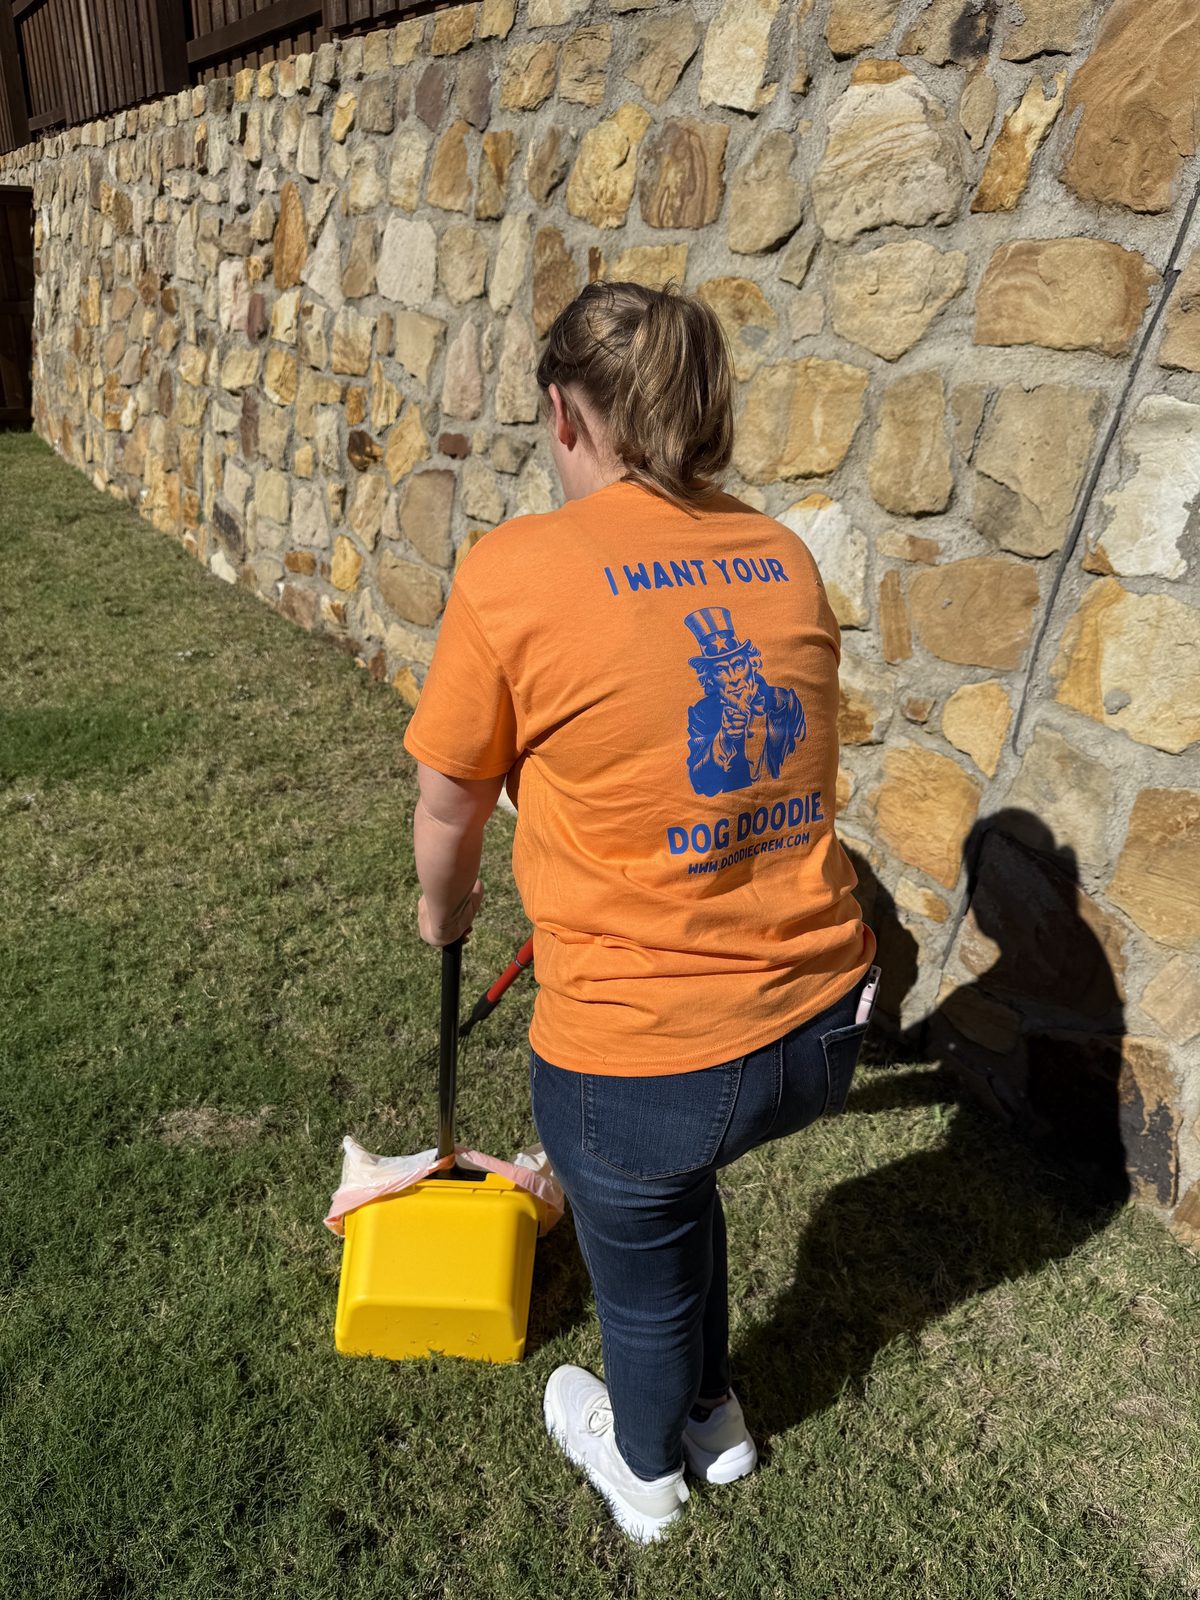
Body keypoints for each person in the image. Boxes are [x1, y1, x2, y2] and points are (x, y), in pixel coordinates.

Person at [403, 282, 878, 1543]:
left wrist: (438, 915)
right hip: (822, 1029)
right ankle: (716, 1417)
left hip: (646, 1060)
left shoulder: (514, 571)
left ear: (566, 413)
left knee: (644, 1257)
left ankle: (649, 1465)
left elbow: (447, 813)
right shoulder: (779, 552)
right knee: (676, 1182)